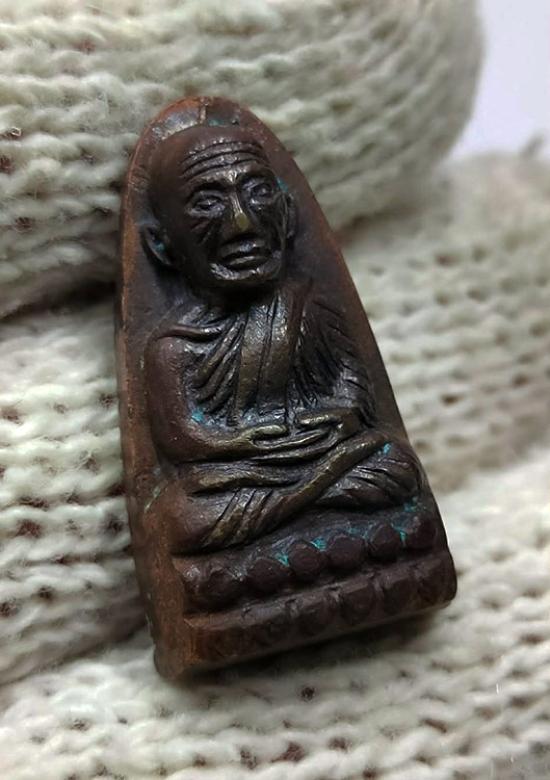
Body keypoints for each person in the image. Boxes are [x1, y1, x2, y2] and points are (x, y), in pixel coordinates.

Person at [142, 125, 421, 554]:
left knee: (395, 465)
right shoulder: (174, 346)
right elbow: (182, 439)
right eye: (208, 204)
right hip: (245, 474)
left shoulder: (310, 304)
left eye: (258, 193)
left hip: (323, 453)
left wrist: (342, 416)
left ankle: (297, 507)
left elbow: (351, 384)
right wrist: (240, 443)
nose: (241, 224)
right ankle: (307, 503)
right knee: (180, 516)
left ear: (288, 214)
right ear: (162, 245)